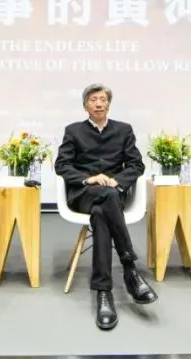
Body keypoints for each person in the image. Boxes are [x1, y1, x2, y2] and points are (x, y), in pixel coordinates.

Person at [55, 83, 157, 331]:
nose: (98, 103)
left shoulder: (123, 130)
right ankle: (130, 269)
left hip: (111, 195)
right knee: (106, 199)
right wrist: (89, 179)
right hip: (83, 194)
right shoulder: (73, 131)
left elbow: (136, 165)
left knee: (102, 213)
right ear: (85, 105)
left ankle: (104, 293)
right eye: (93, 100)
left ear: (109, 104)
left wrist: (117, 181)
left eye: (102, 99)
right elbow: (62, 165)